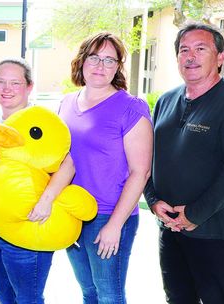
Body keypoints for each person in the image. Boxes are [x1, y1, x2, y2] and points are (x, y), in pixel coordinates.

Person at [143, 22, 224, 304]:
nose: (190, 57)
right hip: (170, 228)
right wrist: (152, 199)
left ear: (220, 57)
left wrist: (195, 214)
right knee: (177, 298)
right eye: (184, 50)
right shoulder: (166, 100)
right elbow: (148, 156)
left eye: (201, 49)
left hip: (214, 232)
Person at [58, 32, 153, 303]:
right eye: (95, 57)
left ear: (118, 67)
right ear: (82, 61)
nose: (101, 66)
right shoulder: (66, 103)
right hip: (74, 213)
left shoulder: (131, 108)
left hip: (109, 215)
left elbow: (141, 172)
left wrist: (115, 225)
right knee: (89, 293)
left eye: (110, 60)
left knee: (109, 296)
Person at [0, 58, 75, 304]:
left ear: (29, 87)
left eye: (15, 82)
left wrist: (46, 200)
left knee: (28, 299)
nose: (6, 88)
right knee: (4, 295)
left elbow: (68, 164)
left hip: (29, 226)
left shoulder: (40, 123)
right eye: (0, 81)